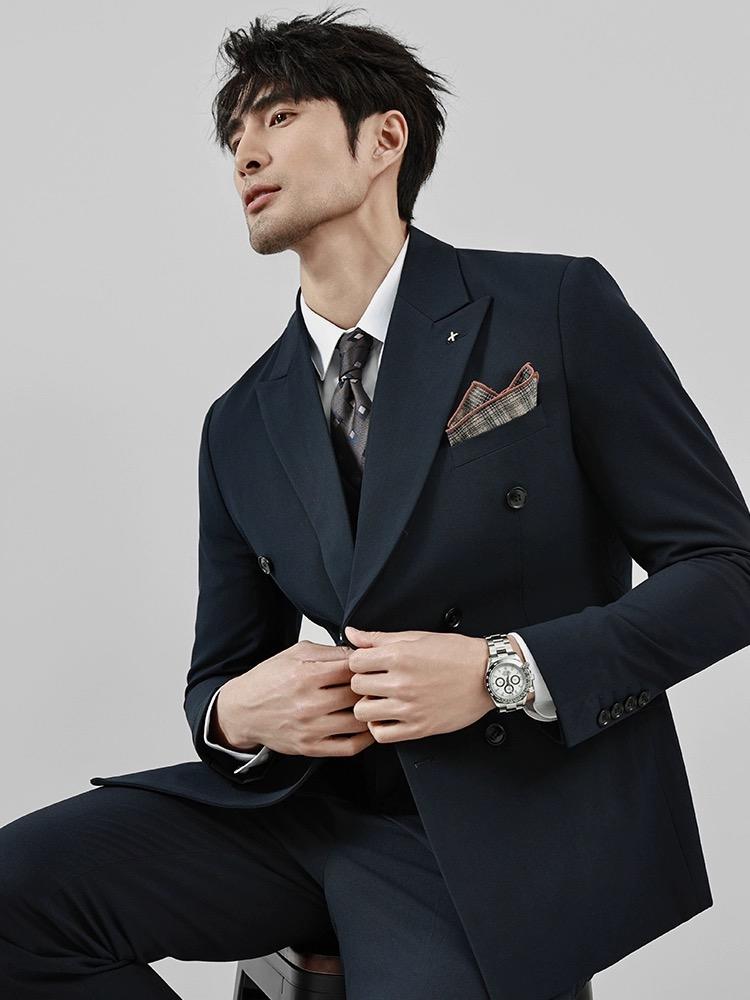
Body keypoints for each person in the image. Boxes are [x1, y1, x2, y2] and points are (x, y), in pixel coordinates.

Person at [2, 7, 749, 1000]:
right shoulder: (238, 420)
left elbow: (727, 571)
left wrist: (503, 671)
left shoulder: (555, 308)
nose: (245, 153)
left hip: (497, 824)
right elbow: (220, 672)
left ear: (384, 138)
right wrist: (233, 713)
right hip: (305, 811)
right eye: (234, 135)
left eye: (278, 117)